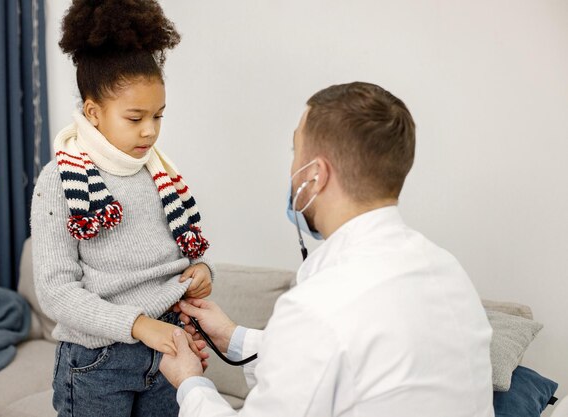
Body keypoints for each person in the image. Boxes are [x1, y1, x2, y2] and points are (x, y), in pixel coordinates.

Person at [159, 82, 494, 416]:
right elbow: (348, 360)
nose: (292, 170)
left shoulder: (320, 306)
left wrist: (190, 383)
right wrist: (233, 337)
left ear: (315, 175)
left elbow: (328, 340)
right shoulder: (447, 270)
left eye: (295, 153)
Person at [30, 1, 212, 416]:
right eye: (135, 118)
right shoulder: (58, 181)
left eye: (158, 116)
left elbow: (186, 253)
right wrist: (136, 325)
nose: (150, 130)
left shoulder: (161, 173)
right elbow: (56, 293)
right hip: (99, 363)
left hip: (169, 350)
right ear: (93, 113)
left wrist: (201, 271)